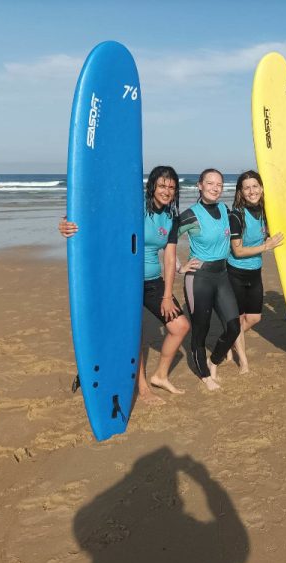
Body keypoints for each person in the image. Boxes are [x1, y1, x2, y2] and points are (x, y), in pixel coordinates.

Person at [59, 166, 191, 404]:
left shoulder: (171, 217)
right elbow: (98, 214)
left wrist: (167, 295)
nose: (167, 191)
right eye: (162, 185)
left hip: (152, 282)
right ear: (152, 186)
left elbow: (170, 258)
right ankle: (142, 389)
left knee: (180, 326)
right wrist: (67, 221)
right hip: (123, 280)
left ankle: (160, 376)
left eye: (171, 187)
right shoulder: (133, 205)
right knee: (134, 333)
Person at [179, 169, 241, 391]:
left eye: (219, 184)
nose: (215, 188)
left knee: (233, 327)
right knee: (201, 330)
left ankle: (213, 360)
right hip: (199, 278)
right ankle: (205, 376)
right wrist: (179, 267)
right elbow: (163, 240)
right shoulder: (190, 215)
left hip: (222, 276)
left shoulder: (225, 209)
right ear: (200, 185)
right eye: (210, 183)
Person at [226, 170, 283, 374]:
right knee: (239, 318)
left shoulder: (265, 212)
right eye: (247, 187)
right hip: (235, 272)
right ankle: (244, 362)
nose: (252, 191)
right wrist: (265, 247)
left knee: (254, 318)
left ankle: (229, 341)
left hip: (254, 272)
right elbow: (237, 250)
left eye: (255, 186)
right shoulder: (236, 215)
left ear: (261, 188)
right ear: (241, 192)